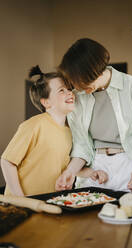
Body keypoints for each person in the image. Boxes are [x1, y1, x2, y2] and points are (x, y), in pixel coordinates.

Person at [55, 38, 132, 193]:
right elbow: (81, 146)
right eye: (75, 82)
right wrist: (70, 172)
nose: (78, 87)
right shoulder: (78, 96)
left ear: (95, 71)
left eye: (81, 81)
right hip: (97, 169)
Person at [0, 65, 76, 196]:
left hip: (49, 203)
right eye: (61, 90)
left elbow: (65, 167)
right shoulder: (34, 125)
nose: (70, 92)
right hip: (20, 206)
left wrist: (91, 173)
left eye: (69, 89)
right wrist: (21, 199)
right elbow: (7, 162)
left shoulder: (70, 131)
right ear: (46, 102)